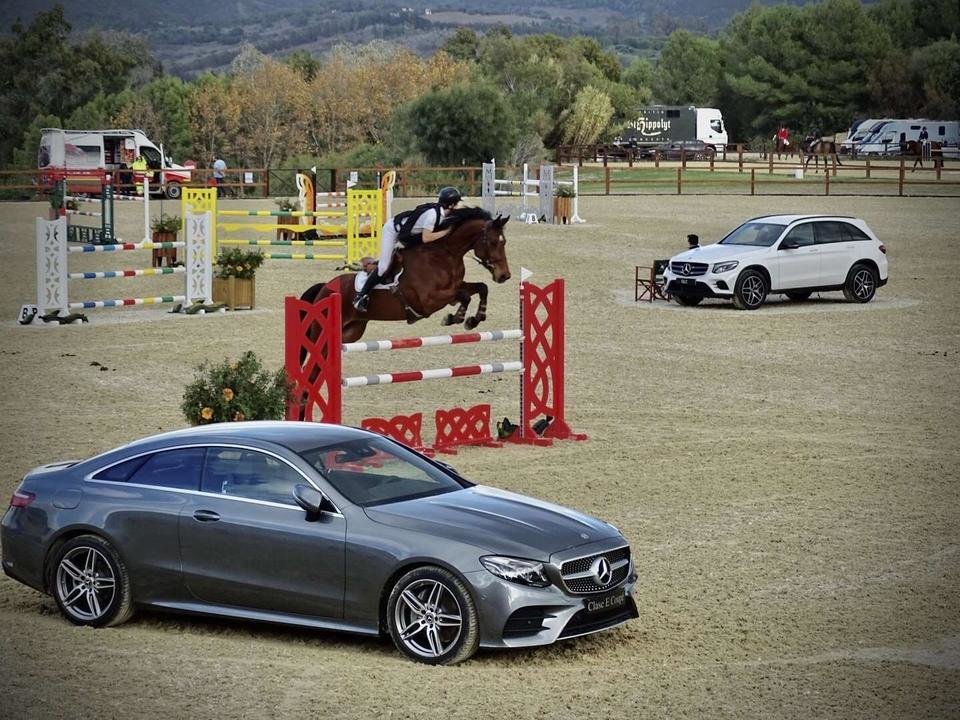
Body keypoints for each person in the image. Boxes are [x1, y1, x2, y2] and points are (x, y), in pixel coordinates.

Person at [352, 186, 462, 312]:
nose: (458, 207)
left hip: (409, 234)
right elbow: (426, 238)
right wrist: (446, 232)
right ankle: (361, 296)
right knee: (383, 267)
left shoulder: (441, 214)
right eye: (457, 204)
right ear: (452, 205)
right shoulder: (433, 215)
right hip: (392, 231)